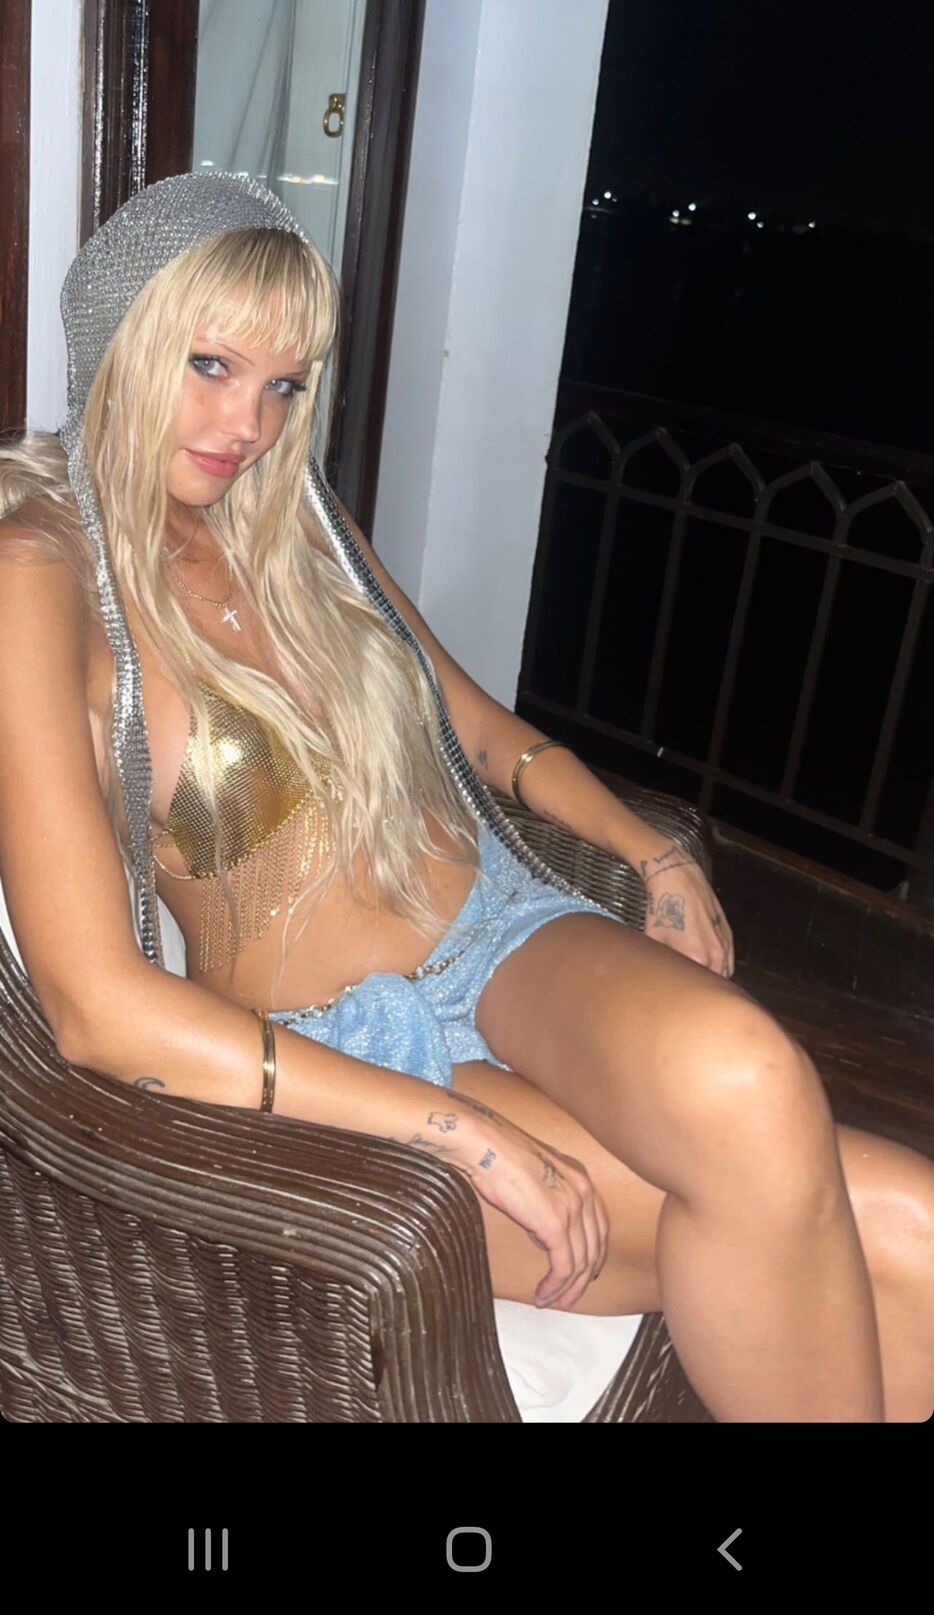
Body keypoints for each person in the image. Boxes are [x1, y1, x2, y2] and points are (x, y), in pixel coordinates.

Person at [0, 171, 931, 1425]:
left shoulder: (293, 523)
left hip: (498, 931)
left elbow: (479, 729)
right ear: (120, 335)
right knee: (891, 1227)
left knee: (780, 1098)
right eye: (210, 365)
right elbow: (95, 1010)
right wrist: (457, 1132)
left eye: (284, 386)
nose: (248, 425)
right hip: (347, 1044)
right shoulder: (37, 569)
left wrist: (649, 851)